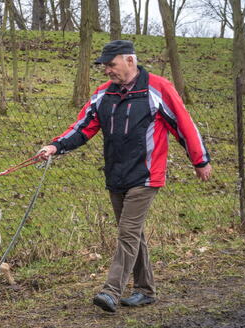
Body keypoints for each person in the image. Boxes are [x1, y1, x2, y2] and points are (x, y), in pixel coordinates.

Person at [37, 40, 212, 313]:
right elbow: (83, 127)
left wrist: (199, 160)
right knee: (134, 234)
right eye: (104, 66)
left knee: (127, 233)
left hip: (146, 175)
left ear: (129, 60)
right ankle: (145, 290)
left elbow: (183, 124)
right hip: (116, 174)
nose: (107, 71)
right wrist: (55, 146)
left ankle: (111, 291)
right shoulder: (103, 94)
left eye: (111, 64)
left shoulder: (158, 88)